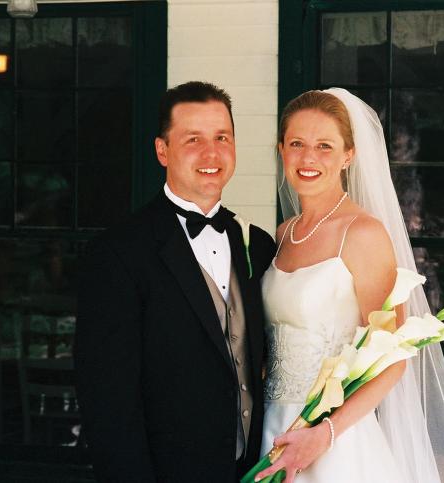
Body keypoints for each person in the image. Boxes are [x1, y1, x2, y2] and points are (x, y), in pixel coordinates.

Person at [254, 89, 444, 482]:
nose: (308, 158)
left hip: (337, 443)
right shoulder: (285, 234)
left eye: (325, 146)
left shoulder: (363, 234)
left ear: (348, 155)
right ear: (281, 150)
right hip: (275, 431)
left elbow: (393, 357)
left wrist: (325, 434)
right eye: (297, 144)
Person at [75, 81, 276, 482]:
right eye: (193, 139)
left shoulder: (257, 243)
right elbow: (107, 402)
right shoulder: (118, 253)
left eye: (222, 137)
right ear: (162, 150)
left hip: (253, 469)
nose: (211, 153)